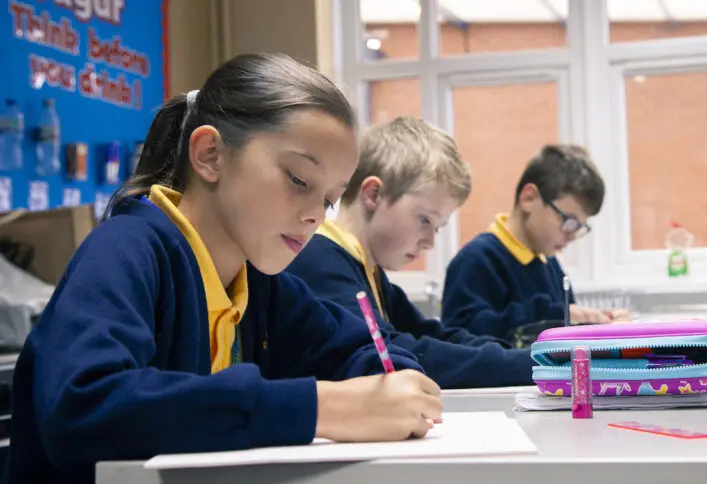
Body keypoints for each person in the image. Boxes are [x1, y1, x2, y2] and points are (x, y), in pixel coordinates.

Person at [7, 53, 442, 484]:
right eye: (297, 179)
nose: (316, 215)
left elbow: (364, 347)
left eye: (329, 199)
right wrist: (319, 408)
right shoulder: (125, 250)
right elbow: (83, 408)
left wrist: (392, 385)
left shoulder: (257, 284)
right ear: (211, 154)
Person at [286, 116, 535, 389]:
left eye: (437, 228)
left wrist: (520, 356)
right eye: (425, 220)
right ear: (373, 195)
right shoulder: (319, 261)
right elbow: (401, 353)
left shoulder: (367, 269)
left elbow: (433, 335)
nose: (429, 242)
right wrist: (525, 364)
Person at [442, 144, 625, 341]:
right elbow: (461, 339)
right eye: (569, 221)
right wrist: (552, 317)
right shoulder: (476, 261)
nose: (572, 235)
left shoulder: (550, 264)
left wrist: (596, 323)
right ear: (529, 198)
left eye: (580, 227)